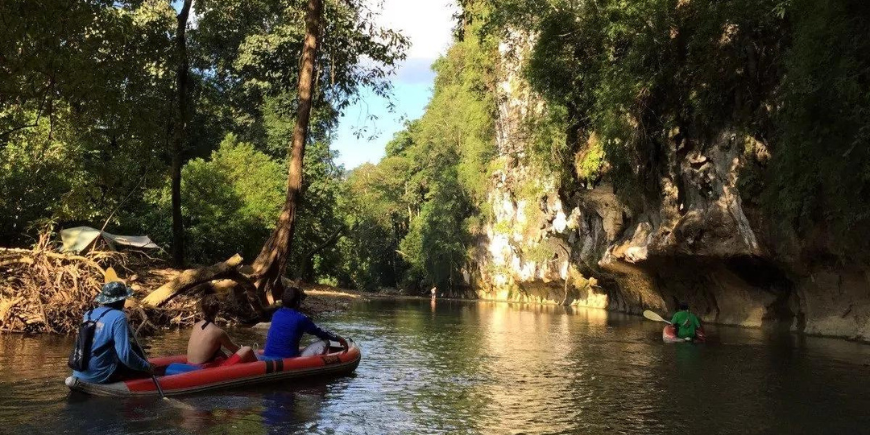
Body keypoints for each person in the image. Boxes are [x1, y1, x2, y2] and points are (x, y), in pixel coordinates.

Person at [71, 281, 152, 383]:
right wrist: (146, 367)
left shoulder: (89, 314)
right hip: (100, 376)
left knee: (132, 346)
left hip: (78, 370)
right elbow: (125, 355)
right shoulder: (119, 317)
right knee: (138, 362)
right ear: (121, 300)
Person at [262, 286, 348, 360]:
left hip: (268, 355)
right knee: (325, 342)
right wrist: (339, 339)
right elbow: (320, 332)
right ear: (297, 303)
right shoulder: (301, 318)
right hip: (289, 359)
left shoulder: (276, 314)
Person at [186, 295, 257, 367]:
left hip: (190, 365)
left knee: (219, 352)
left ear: (203, 309)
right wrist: (241, 348)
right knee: (247, 349)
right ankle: (260, 368)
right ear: (218, 310)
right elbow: (235, 350)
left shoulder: (196, 325)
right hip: (203, 369)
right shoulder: (218, 332)